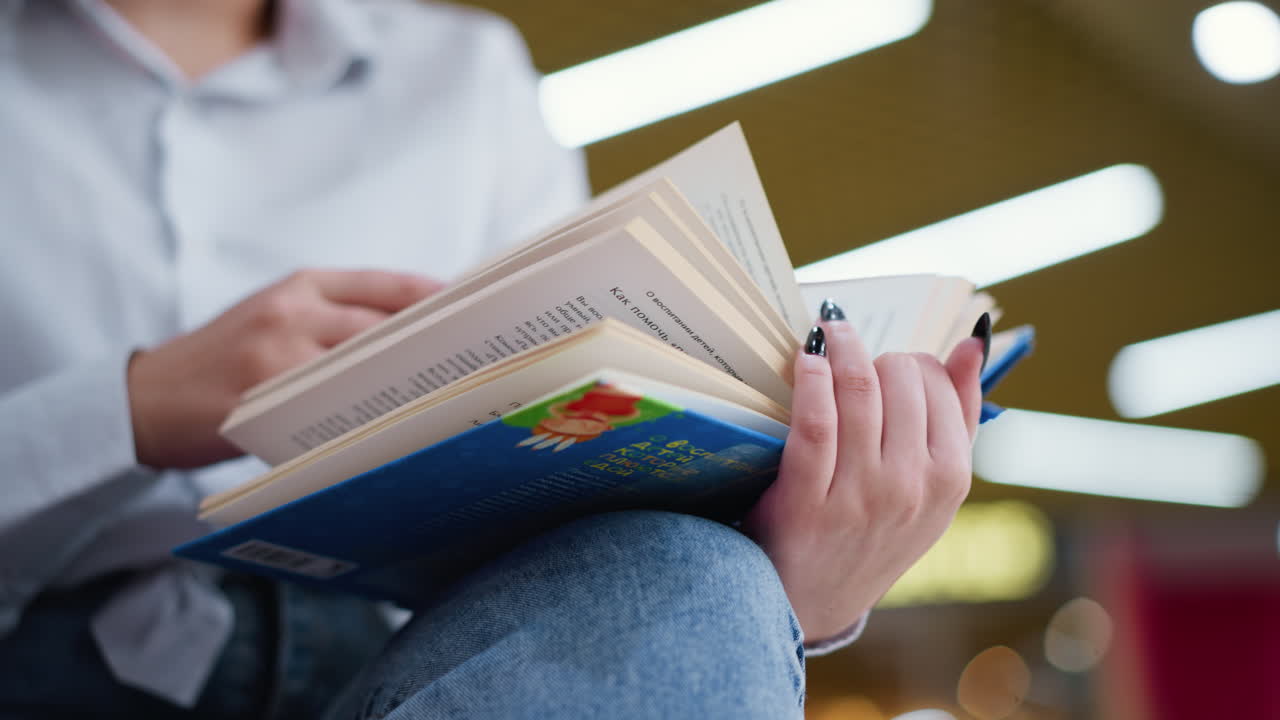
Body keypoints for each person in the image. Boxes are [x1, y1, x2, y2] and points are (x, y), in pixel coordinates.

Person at [0, 0, 987, 717]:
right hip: (39, 648)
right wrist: (128, 409)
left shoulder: (467, 76)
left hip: (419, 669)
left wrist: (782, 587)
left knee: (695, 577)